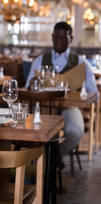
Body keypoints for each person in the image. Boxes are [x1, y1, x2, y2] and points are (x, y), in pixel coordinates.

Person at [25, 21, 98, 155]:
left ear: (71, 39)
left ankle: (54, 157)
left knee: (74, 131)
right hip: (42, 108)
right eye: (57, 37)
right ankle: (43, 159)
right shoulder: (39, 61)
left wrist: (82, 94)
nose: (59, 41)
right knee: (30, 128)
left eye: (64, 38)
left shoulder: (81, 63)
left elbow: (94, 93)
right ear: (52, 37)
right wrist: (32, 84)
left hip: (69, 107)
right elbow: (27, 88)